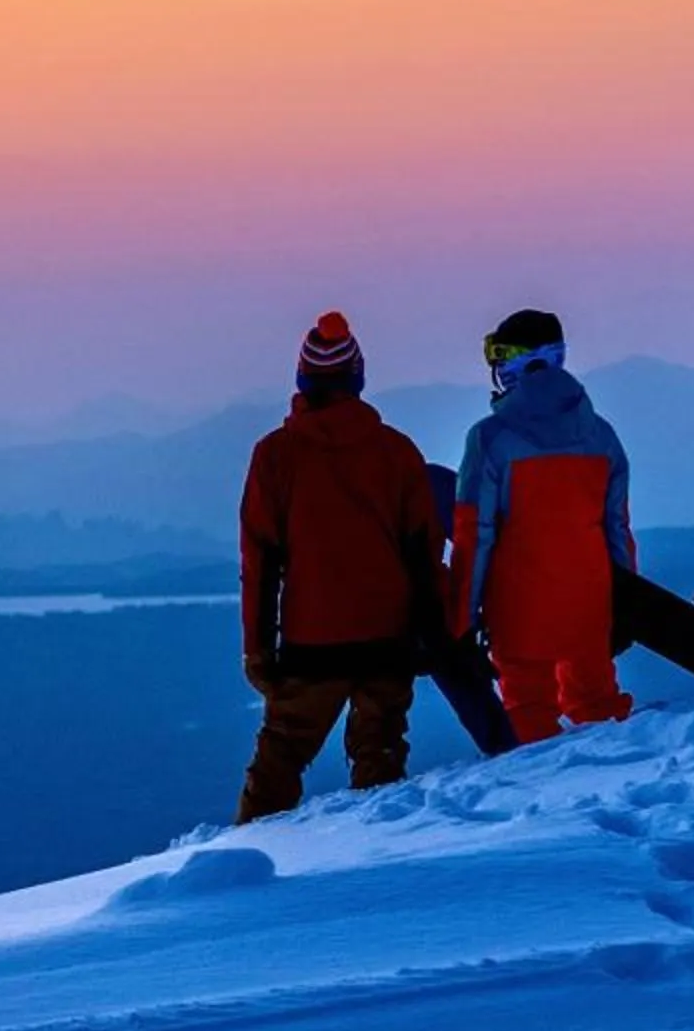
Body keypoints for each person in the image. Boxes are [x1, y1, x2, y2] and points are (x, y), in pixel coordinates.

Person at [235, 313, 445, 823]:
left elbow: (260, 559)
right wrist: (428, 632)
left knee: (279, 760)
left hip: (312, 641)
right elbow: (424, 550)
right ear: (358, 377)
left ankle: (240, 871)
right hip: (387, 636)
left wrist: (258, 649)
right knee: (380, 758)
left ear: (303, 379)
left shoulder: (276, 456)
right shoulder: (396, 451)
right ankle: (376, 869)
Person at [447, 308, 636, 743]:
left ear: (512, 365)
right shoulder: (600, 435)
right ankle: (615, 791)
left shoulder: (490, 439)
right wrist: (624, 603)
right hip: (590, 600)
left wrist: (462, 617)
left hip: (518, 607)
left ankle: (543, 806)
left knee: (528, 718)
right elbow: (617, 528)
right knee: (599, 707)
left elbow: (474, 535)